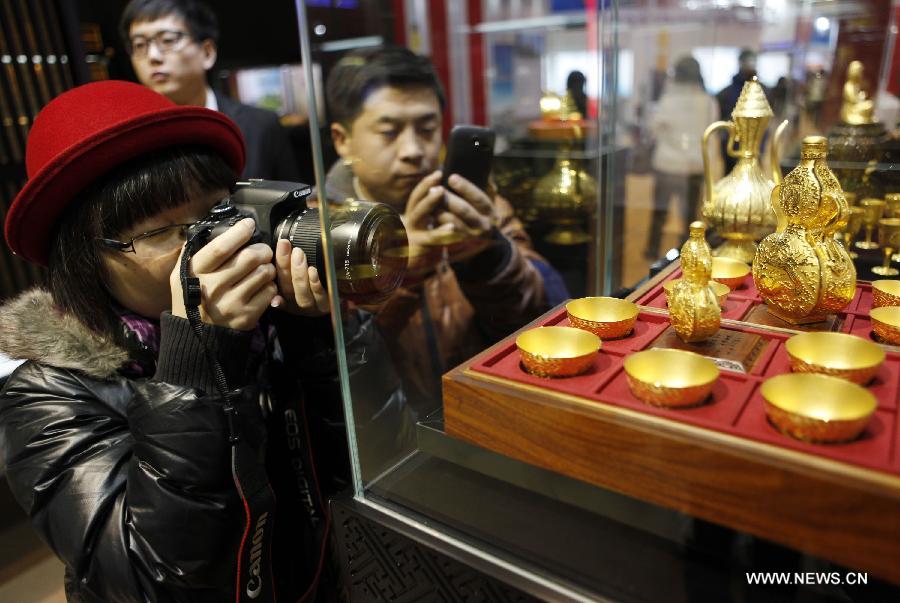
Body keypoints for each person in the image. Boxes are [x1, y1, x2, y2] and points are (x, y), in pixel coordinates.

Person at [0, 80, 357, 602]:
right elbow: (151, 582)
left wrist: (316, 338)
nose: (213, 244)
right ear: (86, 257)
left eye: (215, 212)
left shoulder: (269, 320)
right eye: (162, 231)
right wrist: (196, 362)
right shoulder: (45, 394)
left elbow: (354, 472)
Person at [324, 46, 563, 415]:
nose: (414, 150)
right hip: (394, 444)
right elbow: (337, 363)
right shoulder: (322, 229)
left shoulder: (479, 208)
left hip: (488, 414)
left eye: (427, 128)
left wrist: (488, 256)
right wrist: (401, 269)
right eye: (389, 132)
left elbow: (542, 319)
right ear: (343, 140)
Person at [120, 0, 303, 181]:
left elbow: (293, 202)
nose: (153, 56)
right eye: (139, 45)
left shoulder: (261, 126)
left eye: (168, 40)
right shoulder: (129, 141)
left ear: (207, 53)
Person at [645, 56, 718, 260]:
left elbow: (653, 129)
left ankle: (652, 249)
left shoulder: (668, 100)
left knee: (659, 212)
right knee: (689, 216)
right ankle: (686, 253)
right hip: (694, 165)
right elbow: (710, 136)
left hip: (667, 164)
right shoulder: (708, 101)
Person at [716, 48, 764, 173]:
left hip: (755, 147)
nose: (749, 65)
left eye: (751, 62)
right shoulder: (726, 93)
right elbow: (721, 121)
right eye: (746, 62)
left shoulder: (763, 91)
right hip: (732, 147)